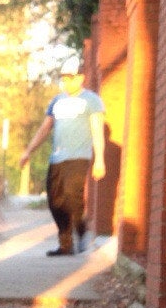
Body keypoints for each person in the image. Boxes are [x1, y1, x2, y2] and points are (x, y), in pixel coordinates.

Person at [20, 56, 106, 256]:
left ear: (81, 78)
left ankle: (82, 233)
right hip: (56, 158)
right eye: (64, 78)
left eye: (71, 78)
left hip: (79, 157)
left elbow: (97, 130)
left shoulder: (91, 100)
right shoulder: (57, 101)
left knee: (71, 195)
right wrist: (28, 151)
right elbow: (44, 128)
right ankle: (65, 244)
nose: (67, 82)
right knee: (55, 200)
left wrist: (99, 160)